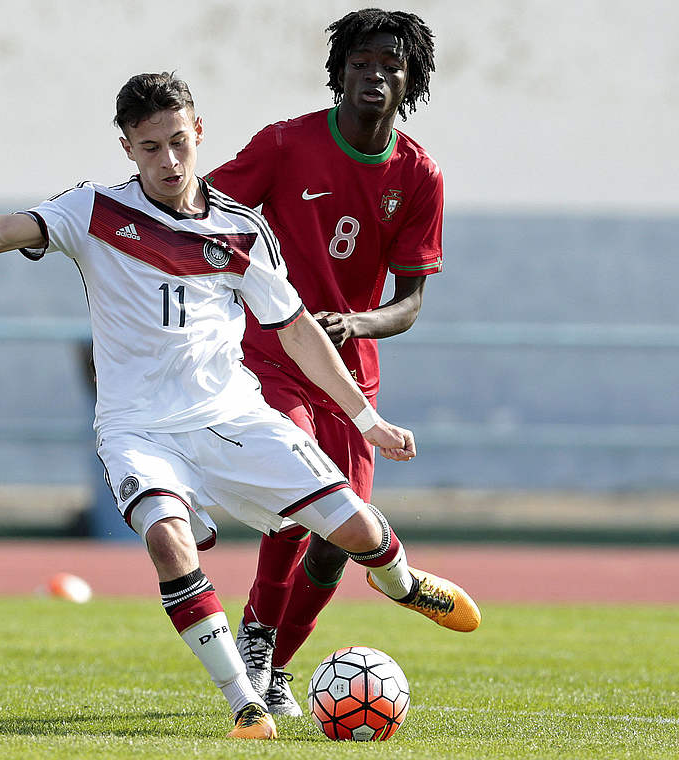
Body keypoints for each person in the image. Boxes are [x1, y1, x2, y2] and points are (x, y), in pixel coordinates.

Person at [0, 71, 479, 741]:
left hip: (232, 417)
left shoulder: (242, 231)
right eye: (151, 148)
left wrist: (366, 419)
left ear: (199, 134)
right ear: (127, 148)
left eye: (180, 142)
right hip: (138, 429)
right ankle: (247, 704)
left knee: (355, 531)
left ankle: (402, 583)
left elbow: (295, 329)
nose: (170, 162)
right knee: (167, 541)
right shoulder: (92, 210)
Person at [202, 8, 442, 717]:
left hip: (350, 373)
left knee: (341, 534)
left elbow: (411, 303)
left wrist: (358, 321)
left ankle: (272, 661)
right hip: (270, 356)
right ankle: (255, 640)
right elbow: (202, 211)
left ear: (411, 81)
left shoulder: (419, 175)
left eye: (391, 66)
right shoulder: (285, 144)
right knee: (295, 486)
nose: (375, 74)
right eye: (362, 62)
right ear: (339, 72)